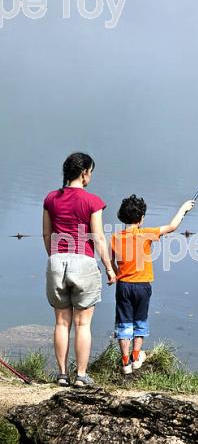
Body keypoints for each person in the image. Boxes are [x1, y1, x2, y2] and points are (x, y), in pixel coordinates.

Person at [43, 152, 116, 387]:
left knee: (61, 322)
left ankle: (62, 375)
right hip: (83, 262)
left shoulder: (51, 199)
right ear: (84, 173)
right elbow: (98, 238)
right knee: (83, 324)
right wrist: (109, 268)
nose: (91, 176)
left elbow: (47, 234)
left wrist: (55, 257)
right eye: (91, 172)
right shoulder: (92, 201)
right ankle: (81, 376)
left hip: (57, 261)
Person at [110, 195, 195, 374]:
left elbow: (110, 262)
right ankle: (136, 356)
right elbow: (172, 227)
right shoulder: (145, 233)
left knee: (124, 321)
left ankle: (125, 362)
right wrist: (184, 208)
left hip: (123, 285)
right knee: (140, 320)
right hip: (142, 286)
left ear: (121, 216)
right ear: (141, 218)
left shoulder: (115, 238)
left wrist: (116, 274)